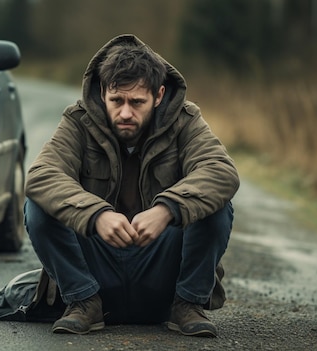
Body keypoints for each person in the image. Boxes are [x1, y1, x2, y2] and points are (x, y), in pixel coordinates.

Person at [23, 34, 239, 337]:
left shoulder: (186, 121)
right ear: (102, 92)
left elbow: (221, 171)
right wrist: (96, 214)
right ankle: (83, 303)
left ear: (159, 95)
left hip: (161, 269)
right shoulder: (78, 122)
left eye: (137, 102)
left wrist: (167, 209)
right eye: (117, 101)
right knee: (37, 206)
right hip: (97, 271)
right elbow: (41, 175)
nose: (125, 113)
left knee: (217, 206)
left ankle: (188, 305)